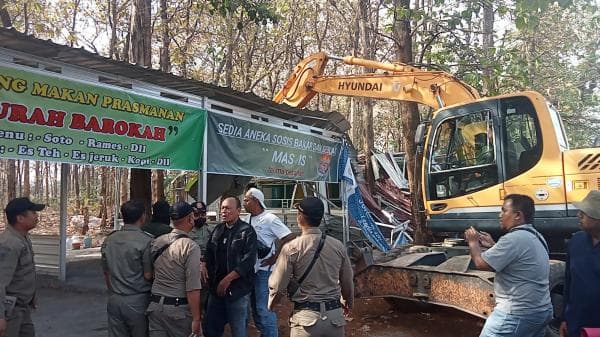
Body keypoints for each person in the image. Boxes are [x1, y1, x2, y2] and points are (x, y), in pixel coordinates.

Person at [464, 194, 552, 337]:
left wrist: (473, 242)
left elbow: (481, 264)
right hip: (541, 311)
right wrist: (493, 245)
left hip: (516, 314)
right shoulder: (536, 235)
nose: (500, 215)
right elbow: (518, 260)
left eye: (504, 210)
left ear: (518, 215)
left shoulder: (513, 239)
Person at [268, 196, 354, 337]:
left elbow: (278, 285)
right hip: (334, 319)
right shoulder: (338, 246)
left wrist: (272, 304)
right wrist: (347, 302)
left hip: (305, 320)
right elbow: (347, 281)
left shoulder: (291, 248)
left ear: (300, 217)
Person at [146, 202, 203, 337]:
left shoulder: (156, 242)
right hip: (178, 311)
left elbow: (149, 274)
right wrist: (196, 318)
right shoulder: (190, 247)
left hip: (155, 307)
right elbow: (193, 287)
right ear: (190, 218)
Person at [203, 196, 257, 337]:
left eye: (228, 208)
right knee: (211, 330)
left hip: (237, 291)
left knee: (238, 331)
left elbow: (249, 261)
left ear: (238, 211)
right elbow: (209, 252)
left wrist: (228, 280)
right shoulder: (218, 230)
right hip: (216, 291)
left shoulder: (247, 231)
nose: (224, 211)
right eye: (222, 208)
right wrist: (203, 263)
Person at [243, 188, 294, 337]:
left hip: (265, 272)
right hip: (251, 270)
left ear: (256, 201)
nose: (244, 202)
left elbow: (289, 237)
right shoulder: (247, 219)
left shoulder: (270, 218)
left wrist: (276, 257)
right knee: (255, 308)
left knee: (263, 309)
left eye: (247, 200)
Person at [101, 200, 153, 337]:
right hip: (138, 301)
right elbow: (148, 275)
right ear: (143, 217)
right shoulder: (146, 241)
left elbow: (106, 272)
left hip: (115, 299)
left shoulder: (109, 240)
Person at [0, 197, 45, 337]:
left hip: (22, 308)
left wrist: (32, 296)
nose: (37, 216)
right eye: (33, 212)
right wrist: (0, 317)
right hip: (10, 312)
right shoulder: (9, 243)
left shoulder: (23, 238)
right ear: (20, 218)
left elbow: (24, 272)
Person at [560, 190, 600, 337]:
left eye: (585, 212)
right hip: (576, 322)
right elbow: (569, 282)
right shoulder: (576, 241)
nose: (579, 215)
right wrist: (564, 318)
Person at [189, 201, 212, 312]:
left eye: (203, 214)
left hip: (207, 269)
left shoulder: (210, 230)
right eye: (197, 215)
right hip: (191, 269)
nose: (200, 217)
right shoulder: (186, 230)